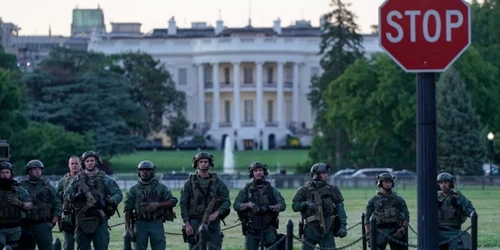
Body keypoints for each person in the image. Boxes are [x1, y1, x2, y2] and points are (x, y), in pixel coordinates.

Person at [65, 151, 123, 250]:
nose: (90, 163)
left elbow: (118, 194)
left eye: (92, 160)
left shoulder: (105, 179)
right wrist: (75, 196)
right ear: (83, 163)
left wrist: (107, 201)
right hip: (81, 219)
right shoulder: (77, 179)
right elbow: (66, 196)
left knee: (101, 246)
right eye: (87, 161)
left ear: (96, 162)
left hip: (100, 219)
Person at [179, 152, 231, 250]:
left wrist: (216, 213)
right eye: (201, 162)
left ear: (209, 163)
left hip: (213, 222)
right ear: (197, 163)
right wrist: (187, 224)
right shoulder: (189, 183)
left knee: (215, 247)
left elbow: (227, 201)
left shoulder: (218, 182)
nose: (203, 164)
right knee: (195, 247)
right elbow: (183, 204)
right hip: (194, 221)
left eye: (205, 162)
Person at [124, 160, 178, 250]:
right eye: (142, 170)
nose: (144, 172)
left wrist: (157, 205)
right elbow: (128, 210)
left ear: (152, 171)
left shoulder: (161, 187)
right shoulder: (133, 189)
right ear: (138, 171)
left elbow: (173, 201)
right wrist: (128, 228)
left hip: (156, 222)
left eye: (147, 170)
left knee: (159, 247)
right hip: (140, 223)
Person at [292, 163, 347, 250]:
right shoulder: (304, 190)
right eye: (323, 173)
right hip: (310, 229)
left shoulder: (332, 189)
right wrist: (306, 203)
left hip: (327, 228)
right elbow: (294, 206)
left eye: (326, 173)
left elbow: (340, 208)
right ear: (315, 175)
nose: (326, 175)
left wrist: (343, 226)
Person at [233, 162, 286, 250]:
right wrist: (249, 205)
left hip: (268, 226)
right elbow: (236, 205)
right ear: (252, 173)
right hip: (251, 228)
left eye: (260, 170)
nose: (258, 172)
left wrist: (270, 207)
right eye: (256, 171)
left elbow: (282, 205)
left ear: (264, 172)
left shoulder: (271, 190)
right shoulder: (246, 189)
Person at [20, 160, 62, 250]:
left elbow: (57, 204)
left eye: (39, 169)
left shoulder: (47, 186)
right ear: (29, 171)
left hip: (43, 224)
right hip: (26, 225)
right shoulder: (21, 186)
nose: (38, 171)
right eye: (35, 169)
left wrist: (53, 222)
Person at [365, 173, 410, 250]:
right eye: (386, 182)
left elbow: (406, 216)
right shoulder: (373, 200)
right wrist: (369, 234)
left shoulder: (398, 199)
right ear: (380, 183)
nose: (389, 184)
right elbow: (367, 219)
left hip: (396, 231)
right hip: (379, 231)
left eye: (390, 182)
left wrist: (402, 228)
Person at [437, 172, 475, 250]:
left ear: (451, 183)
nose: (443, 185)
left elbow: (472, 213)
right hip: (438, 232)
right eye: (441, 183)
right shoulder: (434, 197)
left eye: (446, 182)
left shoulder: (459, 197)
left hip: (455, 232)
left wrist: (460, 206)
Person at [0, 161, 33, 249]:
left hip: (15, 227)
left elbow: (29, 205)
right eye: (2, 172)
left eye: (7, 172)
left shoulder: (19, 189)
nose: (4, 175)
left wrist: (20, 203)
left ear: (11, 174)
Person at [56, 156, 81, 250]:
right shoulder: (63, 181)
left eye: (76, 163)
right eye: (72, 163)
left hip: (83, 215)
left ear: (80, 164)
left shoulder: (86, 178)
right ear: (69, 165)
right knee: (68, 244)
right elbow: (56, 199)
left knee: (83, 243)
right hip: (68, 216)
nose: (74, 165)